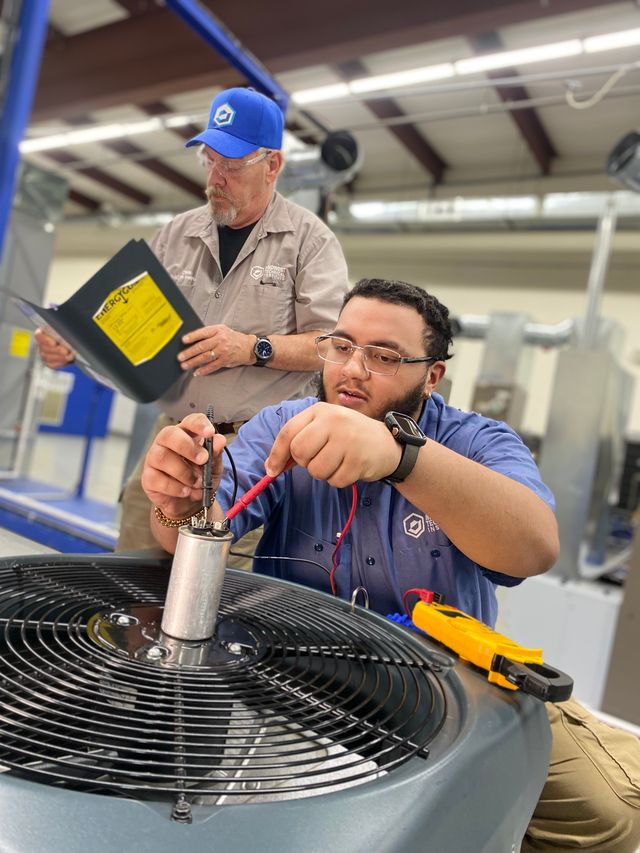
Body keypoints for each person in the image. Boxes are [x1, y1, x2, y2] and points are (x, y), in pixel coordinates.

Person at [142, 277, 640, 852]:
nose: (353, 369)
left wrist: (404, 460)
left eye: (384, 356)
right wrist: (177, 498)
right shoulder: (286, 424)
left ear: (432, 376)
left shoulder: (479, 442)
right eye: (342, 345)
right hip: (292, 673)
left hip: (445, 688)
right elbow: (197, 521)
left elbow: (534, 547)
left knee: (611, 810)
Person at [35, 86, 349, 552]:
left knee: (218, 587)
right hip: (174, 436)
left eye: (232, 164)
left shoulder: (310, 242)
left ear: (272, 165)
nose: (215, 178)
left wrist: (251, 347)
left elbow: (332, 346)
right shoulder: (176, 234)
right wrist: (74, 348)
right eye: (209, 160)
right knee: (134, 569)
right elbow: (127, 334)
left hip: (252, 450)